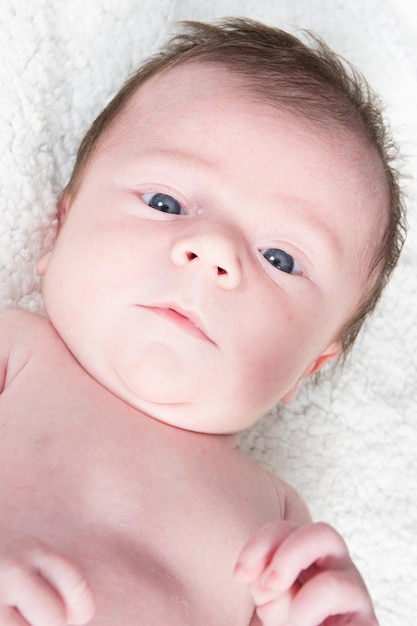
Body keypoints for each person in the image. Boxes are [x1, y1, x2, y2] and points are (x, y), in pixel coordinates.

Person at [0, 17, 405, 626]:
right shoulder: (17, 350)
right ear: (59, 231)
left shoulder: (281, 519)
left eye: (280, 258)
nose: (213, 251)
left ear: (311, 363)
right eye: (165, 203)